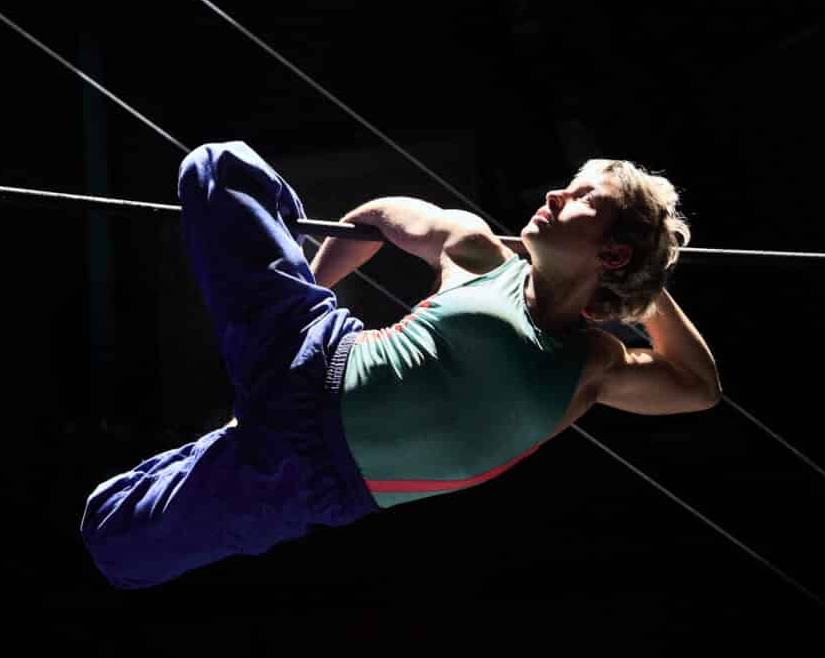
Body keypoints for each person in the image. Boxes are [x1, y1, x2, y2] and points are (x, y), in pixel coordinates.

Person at [79, 140, 720, 589]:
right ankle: (254, 406)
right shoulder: (476, 251)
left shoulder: (594, 365)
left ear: (612, 254)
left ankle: (236, 437)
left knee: (114, 542)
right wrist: (307, 298)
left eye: (583, 197)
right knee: (220, 167)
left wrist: (647, 290)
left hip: (310, 480)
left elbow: (697, 388)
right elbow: (378, 218)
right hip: (310, 350)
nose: (555, 192)